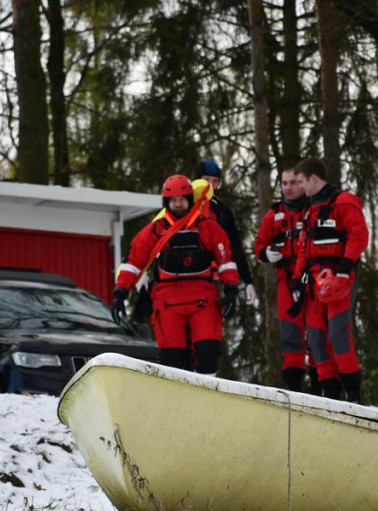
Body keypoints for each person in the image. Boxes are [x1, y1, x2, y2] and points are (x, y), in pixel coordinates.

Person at [111, 173, 239, 375]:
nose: (178, 204)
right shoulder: (155, 230)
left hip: (202, 299)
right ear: (166, 202)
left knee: (208, 352)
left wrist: (231, 289)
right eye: (173, 200)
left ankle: (208, 395)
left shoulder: (208, 227)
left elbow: (226, 260)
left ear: (190, 200)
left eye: (181, 200)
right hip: (168, 300)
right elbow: (133, 262)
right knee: (172, 359)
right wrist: (120, 292)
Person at [292, 158, 369, 403]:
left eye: (302, 182)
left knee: (338, 334)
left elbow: (359, 235)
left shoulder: (344, 202)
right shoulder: (309, 209)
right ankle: (329, 393)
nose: (301, 187)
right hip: (314, 282)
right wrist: (297, 279)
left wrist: (345, 268)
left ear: (314, 178)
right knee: (315, 338)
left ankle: (353, 392)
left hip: (338, 279)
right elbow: (304, 246)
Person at [254, 168, 313, 392]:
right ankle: (294, 386)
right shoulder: (275, 214)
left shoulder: (313, 210)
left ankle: (322, 385)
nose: (288, 187)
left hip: (312, 278)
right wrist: (266, 254)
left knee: (317, 333)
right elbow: (259, 244)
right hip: (285, 281)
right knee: (290, 334)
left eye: (293, 183)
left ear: (303, 184)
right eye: (284, 183)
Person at [195, 159, 257, 307]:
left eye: (214, 181)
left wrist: (248, 280)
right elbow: (158, 235)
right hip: (179, 275)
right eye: (206, 180)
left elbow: (234, 245)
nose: (210, 185)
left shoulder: (221, 211)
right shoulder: (182, 203)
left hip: (211, 276)